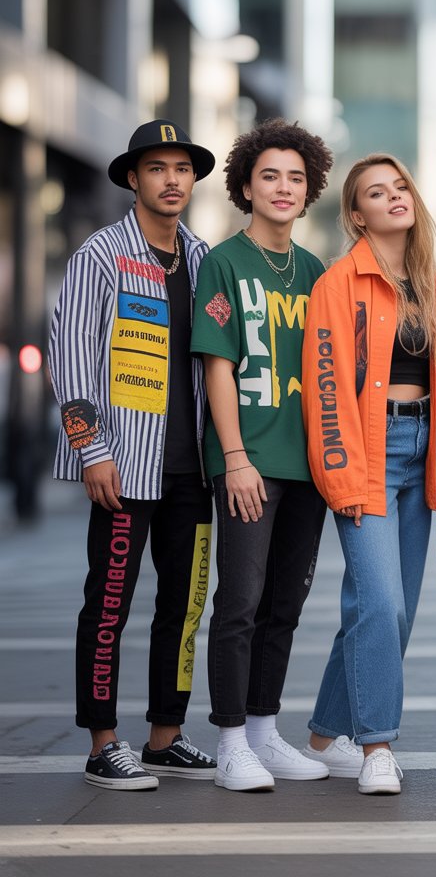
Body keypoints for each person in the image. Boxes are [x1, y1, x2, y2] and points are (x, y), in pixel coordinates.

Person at [49, 119, 218, 789]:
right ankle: (103, 742)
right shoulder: (100, 255)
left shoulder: (205, 259)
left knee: (183, 607)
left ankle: (164, 737)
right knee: (110, 602)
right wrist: (93, 450)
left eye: (182, 168)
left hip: (193, 469)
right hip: (127, 465)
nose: (172, 180)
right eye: (157, 168)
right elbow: (71, 356)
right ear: (132, 178)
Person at [191, 118, 332, 792]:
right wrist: (236, 456)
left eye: (295, 178)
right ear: (246, 185)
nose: (282, 188)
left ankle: (262, 731)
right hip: (248, 460)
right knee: (240, 600)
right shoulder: (224, 261)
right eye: (269, 175)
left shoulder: (315, 273)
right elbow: (218, 367)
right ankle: (228, 742)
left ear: (310, 193)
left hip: (309, 466)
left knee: (285, 603)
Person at [300, 153, 436, 795]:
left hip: (423, 455)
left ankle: (321, 736)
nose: (395, 198)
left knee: (392, 609)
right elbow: (325, 389)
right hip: (368, 450)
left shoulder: (430, 281)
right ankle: (377, 747)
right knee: (380, 602)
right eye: (376, 193)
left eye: (401, 187)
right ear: (356, 216)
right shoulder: (339, 283)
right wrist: (342, 476)